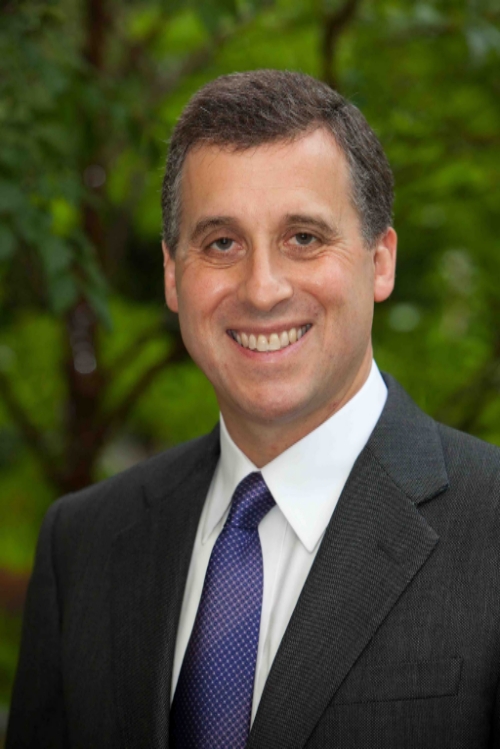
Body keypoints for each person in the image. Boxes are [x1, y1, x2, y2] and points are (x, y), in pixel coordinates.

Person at [7, 69, 500, 749]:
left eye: (303, 237)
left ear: (380, 261)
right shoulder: (83, 546)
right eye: (221, 243)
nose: (262, 289)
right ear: (173, 276)